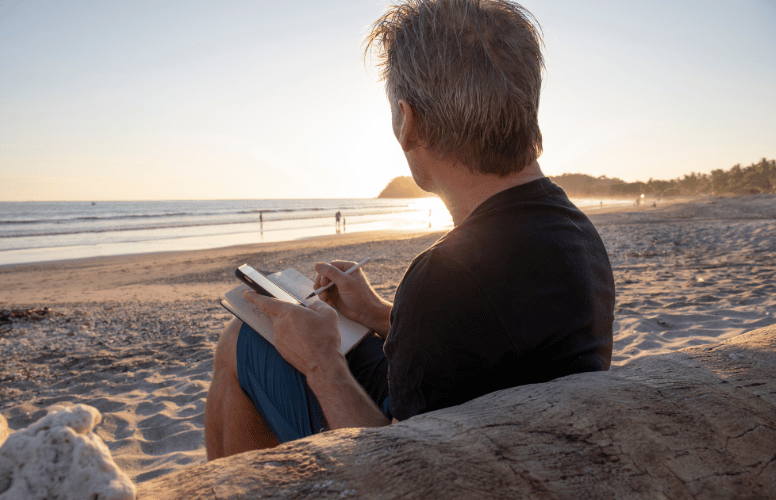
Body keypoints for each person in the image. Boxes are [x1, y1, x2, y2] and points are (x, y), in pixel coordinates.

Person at [204, 0, 614, 458]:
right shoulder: (576, 232)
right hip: (518, 435)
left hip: (461, 464)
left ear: (408, 121)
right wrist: (379, 313)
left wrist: (323, 362)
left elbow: (398, 463)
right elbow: (493, 342)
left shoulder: (444, 279)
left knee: (240, 341)